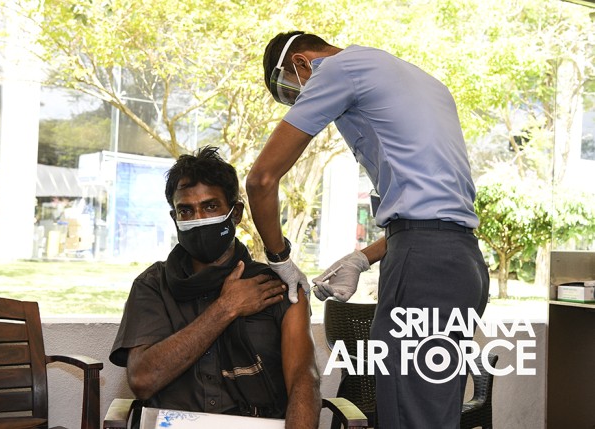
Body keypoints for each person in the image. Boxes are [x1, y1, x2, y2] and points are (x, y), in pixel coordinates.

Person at [246, 31, 489, 429]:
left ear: (302, 64)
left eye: (294, 93)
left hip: (424, 268)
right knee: (432, 412)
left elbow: (261, 180)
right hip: (463, 264)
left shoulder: (336, 69)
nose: (302, 102)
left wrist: (280, 260)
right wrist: (361, 258)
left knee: (409, 417)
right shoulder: (420, 80)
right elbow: (434, 211)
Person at [110, 146, 320, 429]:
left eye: (210, 207)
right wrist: (225, 308)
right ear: (174, 218)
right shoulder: (152, 286)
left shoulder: (278, 287)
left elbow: (304, 381)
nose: (199, 219)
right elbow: (143, 380)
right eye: (186, 210)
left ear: (236, 213)